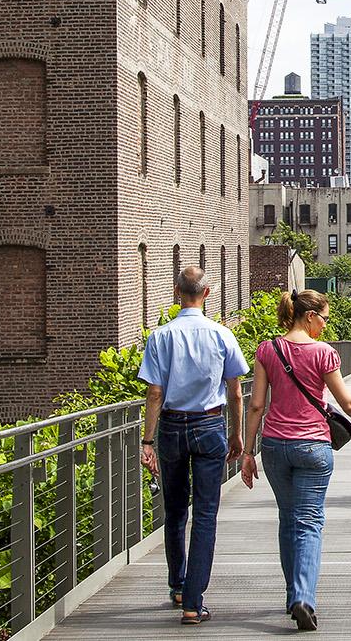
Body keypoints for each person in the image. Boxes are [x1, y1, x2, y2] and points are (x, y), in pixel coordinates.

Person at [240, 290, 351, 631]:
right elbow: (346, 402)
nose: (325, 324)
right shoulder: (324, 353)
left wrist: (248, 452)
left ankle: (294, 594)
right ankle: (303, 597)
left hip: (275, 446)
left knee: (288, 519)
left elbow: (257, 405)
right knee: (308, 522)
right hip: (313, 447)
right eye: (323, 318)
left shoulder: (267, 349)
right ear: (309, 317)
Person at [136, 267, 249, 625]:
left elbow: (154, 392)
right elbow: (235, 391)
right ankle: (194, 602)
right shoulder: (222, 334)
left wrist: (147, 440)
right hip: (209, 424)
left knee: (174, 510)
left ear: (176, 292)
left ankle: (178, 585)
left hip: (170, 426)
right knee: (205, 514)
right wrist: (237, 434)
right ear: (208, 292)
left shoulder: (160, 337)